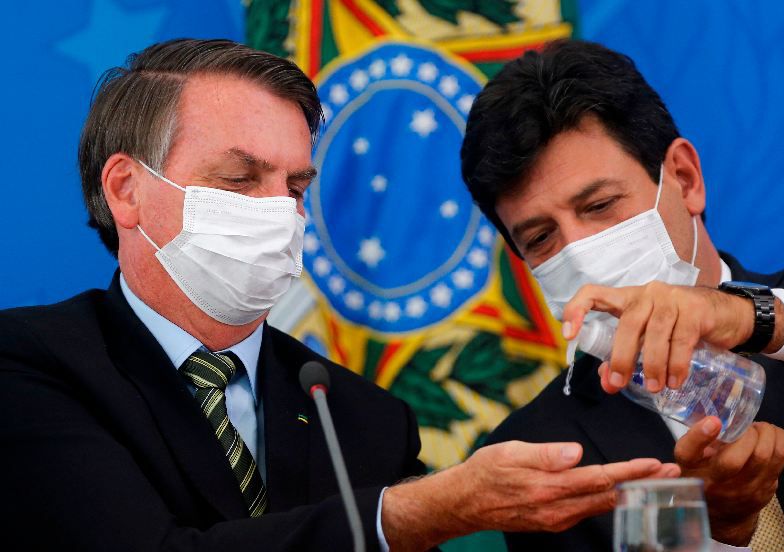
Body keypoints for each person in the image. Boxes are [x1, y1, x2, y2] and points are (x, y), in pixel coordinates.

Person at [0, 39, 678, 551]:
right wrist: (407, 514)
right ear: (126, 190)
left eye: (295, 187)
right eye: (241, 180)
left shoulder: (363, 418)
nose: (280, 214)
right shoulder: (29, 366)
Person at [461, 39, 784, 550]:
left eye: (600, 205)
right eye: (541, 239)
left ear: (686, 179)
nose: (580, 256)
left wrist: (759, 318)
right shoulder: (543, 453)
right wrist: (718, 532)